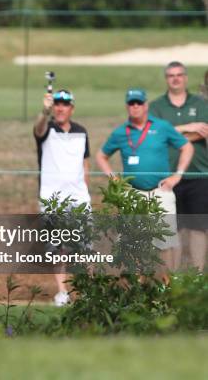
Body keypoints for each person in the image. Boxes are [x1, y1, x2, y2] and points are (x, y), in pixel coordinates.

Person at [96, 88, 194, 271]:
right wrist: (113, 178)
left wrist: (177, 175)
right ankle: (137, 287)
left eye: (138, 103)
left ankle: (166, 287)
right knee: (131, 241)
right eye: (131, 103)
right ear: (127, 106)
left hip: (160, 191)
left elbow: (186, 146)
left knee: (166, 241)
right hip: (133, 193)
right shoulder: (120, 132)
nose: (135, 107)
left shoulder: (161, 126)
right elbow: (101, 155)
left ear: (146, 105)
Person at [34, 89, 91, 306]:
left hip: (79, 198)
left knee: (84, 247)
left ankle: (87, 291)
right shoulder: (46, 129)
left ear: (71, 108)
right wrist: (43, 111)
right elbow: (38, 128)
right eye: (57, 104)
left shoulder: (81, 131)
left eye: (65, 104)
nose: (60, 108)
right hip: (52, 198)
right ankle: (63, 292)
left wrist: (85, 189)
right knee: (57, 248)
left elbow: (85, 164)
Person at [149, 61, 208, 271]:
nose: (176, 78)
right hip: (167, 176)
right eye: (171, 75)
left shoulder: (200, 104)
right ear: (167, 79)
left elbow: (204, 132)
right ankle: (175, 277)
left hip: (199, 174)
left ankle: (198, 275)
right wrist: (187, 128)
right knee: (172, 229)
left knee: (198, 228)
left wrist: (171, 135)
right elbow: (152, 134)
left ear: (185, 77)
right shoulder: (156, 106)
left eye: (179, 74)